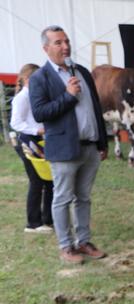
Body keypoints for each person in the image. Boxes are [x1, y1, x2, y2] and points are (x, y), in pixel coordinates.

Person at [29, 25, 108, 265]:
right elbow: (40, 112)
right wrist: (68, 96)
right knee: (62, 198)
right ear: (46, 48)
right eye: (58, 43)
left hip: (90, 147)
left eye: (66, 41)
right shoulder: (39, 78)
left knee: (83, 197)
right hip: (64, 150)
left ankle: (83, 241)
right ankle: (66, 246)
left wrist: (102, 141)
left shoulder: (81, 70)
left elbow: (95, 108)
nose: (65, 46)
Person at [11, 63, 53, 234]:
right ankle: (33, 223)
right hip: (28, 141)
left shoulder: (35, 95)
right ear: (28, 79)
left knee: (49, 181)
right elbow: (15, 123)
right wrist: (38, 130)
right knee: (36, 181)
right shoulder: (22, 97)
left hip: (39, 140)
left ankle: (48, 219)